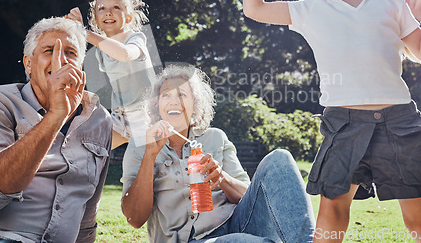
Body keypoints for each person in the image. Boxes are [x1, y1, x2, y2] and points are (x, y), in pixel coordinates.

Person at [243, 0, 421, 243]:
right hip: (343, 124)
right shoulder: (311, 9)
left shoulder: (393, 0)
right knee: (332, 211)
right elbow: (255, 8)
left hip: (399, 122)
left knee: (419, 218)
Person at [0, 17, 120, 242]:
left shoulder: (99, 119)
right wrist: (56, 116)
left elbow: (87, 211)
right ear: (28, 64)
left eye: (71, 52)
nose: (60, 59)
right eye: (49, 50)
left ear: (81, 65)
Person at [121, 64, 315, 243]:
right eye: (166, 95)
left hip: (236, 224)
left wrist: (222, 177)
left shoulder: (216, 138)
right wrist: (149, 156)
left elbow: (248, 198)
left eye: (182, 95)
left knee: (280, 158)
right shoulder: (140, 146)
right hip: (191, 240)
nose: (173, 101)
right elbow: (134, 219)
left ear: (195, 107)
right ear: (156, 106)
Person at [67, 0, 156, 147]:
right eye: (101, 8)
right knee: (87, 149)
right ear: (95, 19)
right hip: (120, 116)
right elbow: (86, 77)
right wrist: (73, 34)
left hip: (146, 115)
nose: (108, 12)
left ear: (128, 17)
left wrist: (84, 32)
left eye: (116, 7)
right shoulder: (100, 50)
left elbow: (125, 54)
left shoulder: (135, 38)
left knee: (152, 165)